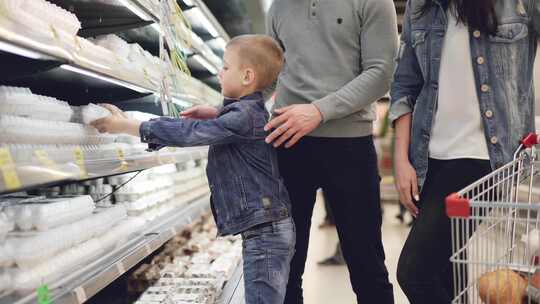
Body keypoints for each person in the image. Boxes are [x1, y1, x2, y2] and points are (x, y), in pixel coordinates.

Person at [91, 35, 295, 304]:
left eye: (225, 67)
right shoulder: (245, 113)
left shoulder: (243, 117)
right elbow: (226, 124)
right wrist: (215, 113)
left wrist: (128, 127)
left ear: (247, 76)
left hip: (266, 233)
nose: (219, 72)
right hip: (265, 228)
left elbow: (191, 132)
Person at [390, 0, 538, 303]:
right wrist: (401, 160)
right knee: (446, 273)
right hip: (427, 161)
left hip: (484, 159)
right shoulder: (423, 7)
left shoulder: (518, 4)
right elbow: (405, 85)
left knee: (414, 272)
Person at [264, 1, 399, 303]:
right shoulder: (278, 8)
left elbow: (381, 72)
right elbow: (268, 77)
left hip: (350, 146)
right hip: (287, 143)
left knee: (367, 267)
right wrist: (230, 108)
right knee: (284, 268)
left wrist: (318, 111)